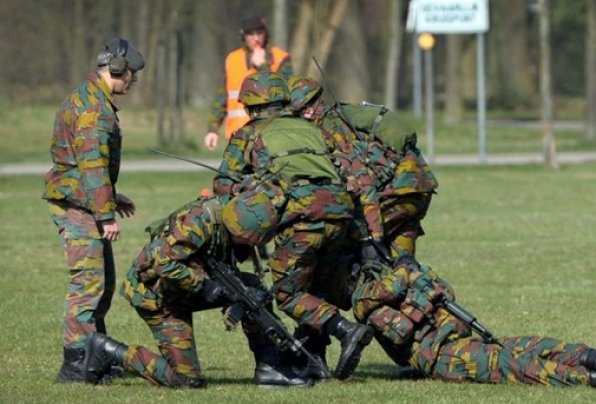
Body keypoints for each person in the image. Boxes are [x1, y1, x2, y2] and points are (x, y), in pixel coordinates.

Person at [213, 72, 374, 381]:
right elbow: (351, 169)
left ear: (250, 107)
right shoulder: (313, 129)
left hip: (302, 216)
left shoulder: (248, 135)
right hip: (340, 212)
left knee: (288, 292)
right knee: (315, 286)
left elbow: (223, 185)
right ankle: (316, 361)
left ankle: (346, 331)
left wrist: (243, 193)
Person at [82, 187, 313, 388]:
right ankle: (109, 350)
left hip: (185, 291)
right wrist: (203, 286)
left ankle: (270, 367)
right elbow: (162, 262)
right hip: (156, 296)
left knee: (252, 294)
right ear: (240, 230)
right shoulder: (197, 222)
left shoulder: (237, 214)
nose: (255, 246)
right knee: (186, 380)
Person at [351, 256, 596, 388]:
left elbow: (446, 292)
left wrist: (421, 274)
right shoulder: (365, 302)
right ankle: (595, 379)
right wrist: (406, 273)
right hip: (441, 358)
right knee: (512, 364)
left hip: (460, 342)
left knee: (530, 344)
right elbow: (401, 329)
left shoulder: (401, 283)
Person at [43, 37, 145, 383]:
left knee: (103, 284)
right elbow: (91, 166)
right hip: (80, 209)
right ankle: (76, 366)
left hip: (85, 201)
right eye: (131, 72)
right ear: (118, 69)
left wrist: (112, 199)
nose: (133, 79)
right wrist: (105, 215)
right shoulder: (93, 108)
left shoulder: (94, 99)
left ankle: (94, 354)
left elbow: (86, 165)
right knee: (88, 285)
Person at [288, 76, 438, 263]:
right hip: (419, 185)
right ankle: (426, 290)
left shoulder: (330, 130)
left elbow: (364, 184)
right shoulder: (345, 114)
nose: (303, 115)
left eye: (301, 111)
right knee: (403, 265)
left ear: (311, 106)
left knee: (351, 243)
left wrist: (371, 237)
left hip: (397, 192)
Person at [204, 15, 293, 151]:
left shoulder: (280, 58)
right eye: (250, 34)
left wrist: (263, 66)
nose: (256, 38)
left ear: (266, 34)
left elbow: (285, 93)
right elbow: (223, 96)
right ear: (243, 36)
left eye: (259, 33)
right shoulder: (233, 59)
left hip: (268, 134)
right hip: (238, 135)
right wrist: (213, 129)